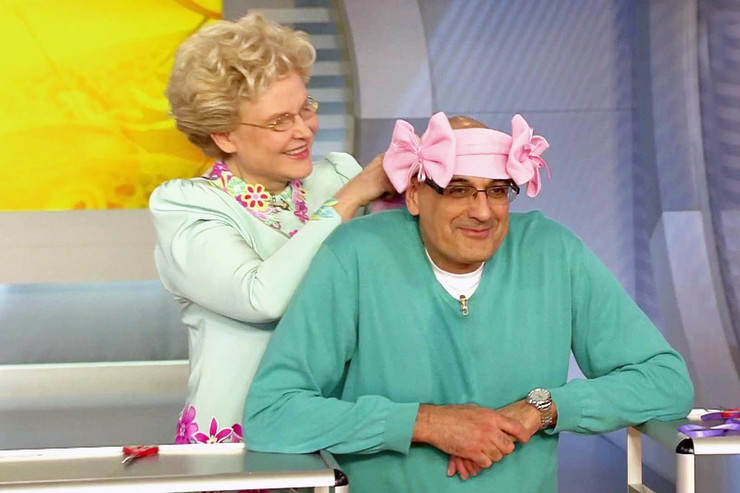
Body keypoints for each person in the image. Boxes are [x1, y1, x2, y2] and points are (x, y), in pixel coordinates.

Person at [242, 112, 694, 492]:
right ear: (414, 195)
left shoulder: (553, 252)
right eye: (458, 189)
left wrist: (542, 408)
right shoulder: (356, 255)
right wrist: (425, 423)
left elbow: (666, 381)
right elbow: (272, 412)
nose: (482, 211)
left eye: (497, 190)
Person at [149, 12, 392, 445]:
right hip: (238, 442)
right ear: (224, 135)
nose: (304, 131)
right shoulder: (187, 206)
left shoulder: (337, 176)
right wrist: (348, 202)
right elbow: (262, 297)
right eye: (280, 121)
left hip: (337, 425)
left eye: (305, 108)